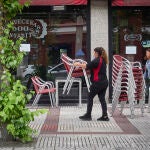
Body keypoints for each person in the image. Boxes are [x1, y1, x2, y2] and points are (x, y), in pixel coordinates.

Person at [74, 47, 109, 121]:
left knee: (90, 97)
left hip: (97, 83)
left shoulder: (96, 60)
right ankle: (105, 116)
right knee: (102, 99)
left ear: (97, 53)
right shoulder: (102, 60)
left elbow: (86, 66)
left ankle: (88, 115)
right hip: (104, 82)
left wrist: (77, 64)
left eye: (94, 52)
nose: (94, 54)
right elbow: (91, 67)